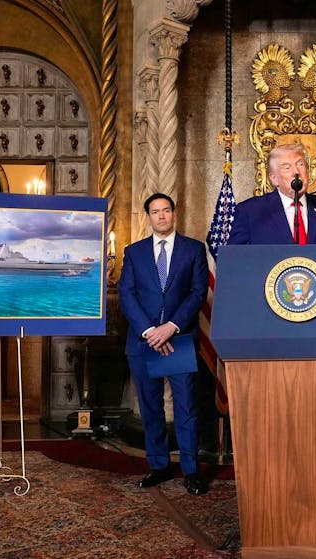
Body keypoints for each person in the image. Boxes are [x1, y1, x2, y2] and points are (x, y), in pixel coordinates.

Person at [119, 192, 210, 494]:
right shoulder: (134, 252)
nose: (161, 216)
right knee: (150, 407)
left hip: (179, 340)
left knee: (186, 408)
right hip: (143, 342)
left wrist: (170, 328)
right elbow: (127, 295)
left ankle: (191, 470)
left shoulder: (193, 250)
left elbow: (197, 294)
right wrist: (149, 331)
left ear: (174, 214)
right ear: (148, 217)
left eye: (166, 210)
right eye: (155, 211)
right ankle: (158, 466)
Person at [228, 143, 316, 245]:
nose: (296, 172)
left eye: (300, 165)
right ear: (274, 178)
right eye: (287, 168)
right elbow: (236, 260)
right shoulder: (251, 212)